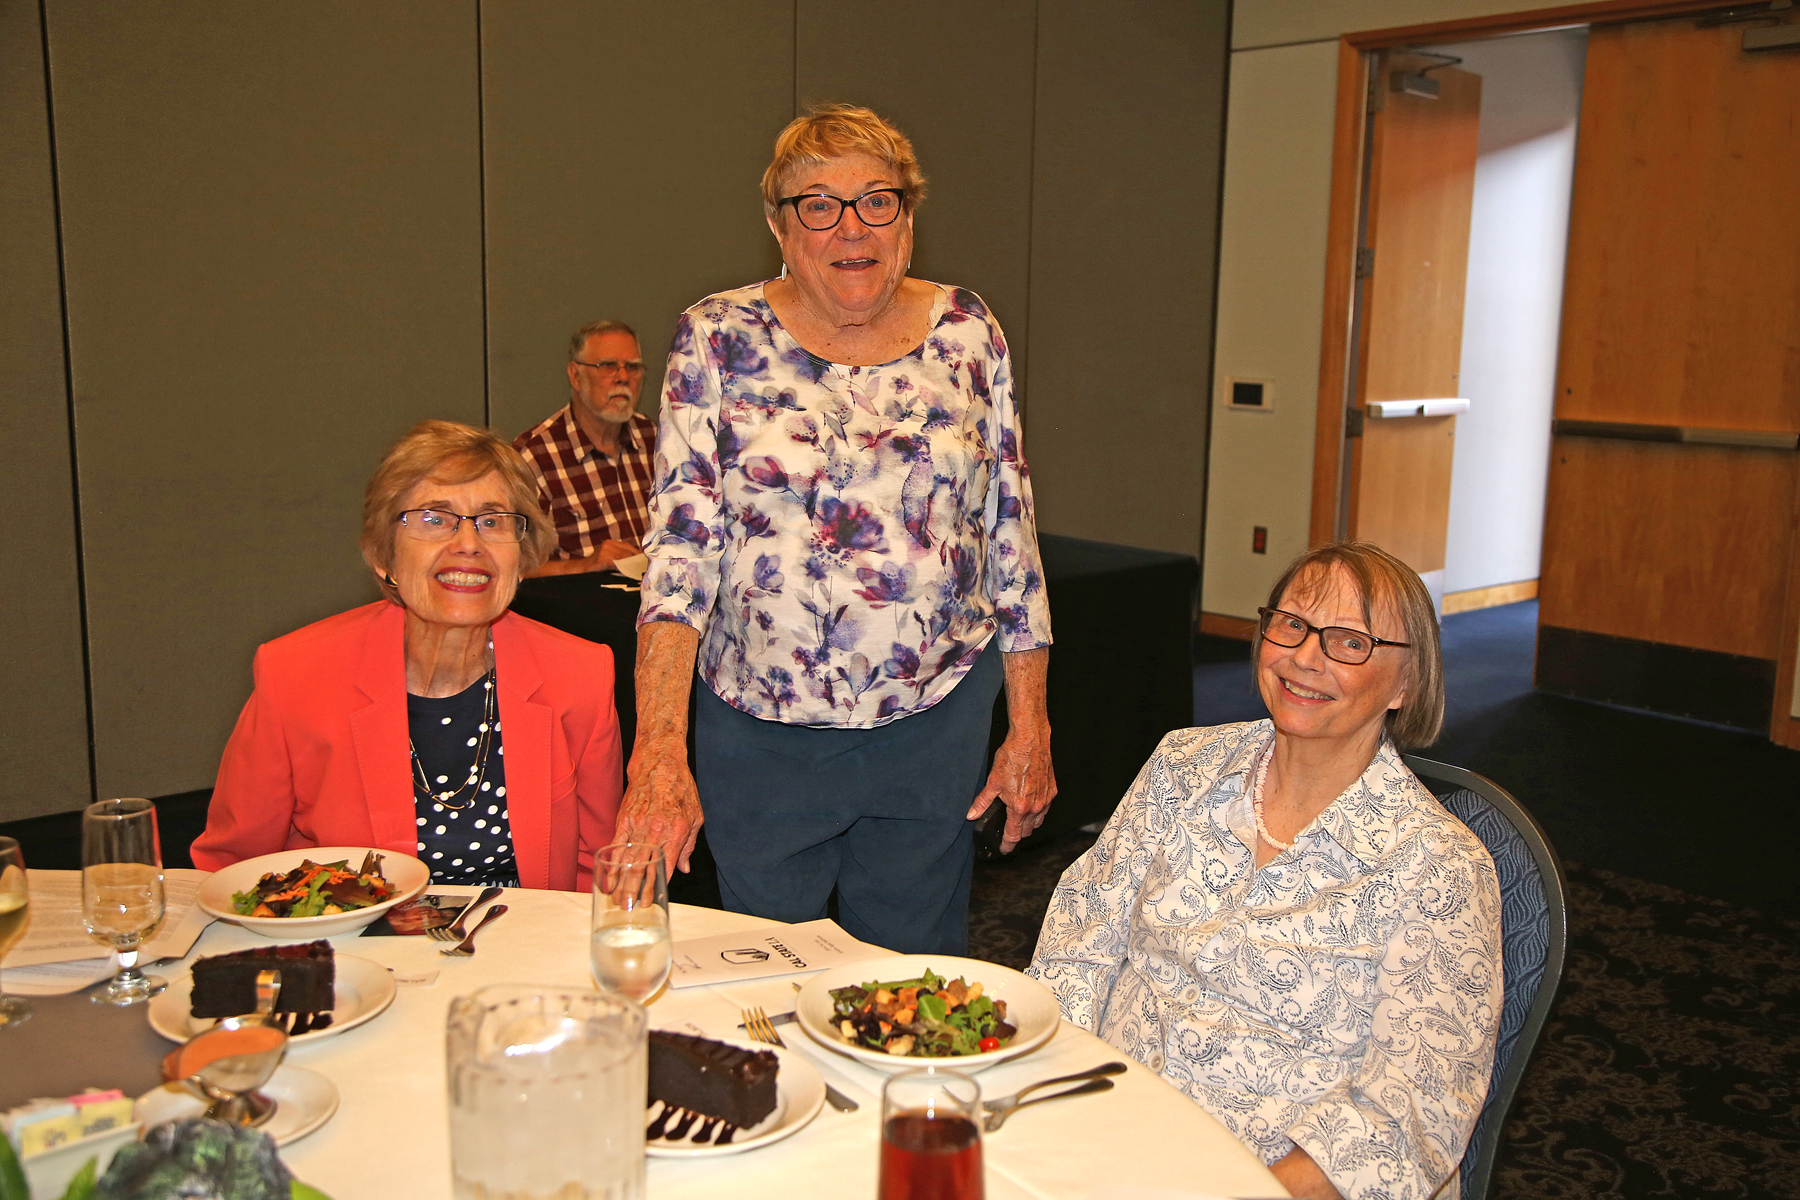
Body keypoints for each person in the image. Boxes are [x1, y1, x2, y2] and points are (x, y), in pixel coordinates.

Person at [617, 103, 1055, 954]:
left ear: (909, 217)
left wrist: (1029, 726)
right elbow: (680, 555)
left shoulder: (969, 331)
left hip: (934, 721)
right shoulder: (716, 337)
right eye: (818, 204)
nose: (850, 227)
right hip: (761, 733)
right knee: (762, 981)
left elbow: (1011, 532)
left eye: (876, 200)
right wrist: (659, 749)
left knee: (912, 980)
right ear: (780, 228)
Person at [1029, 542, 1501, 1200]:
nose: (1306, 657)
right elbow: (1078, 951)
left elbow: (1406, 1122)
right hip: (1107, 1141)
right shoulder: (1183, 765)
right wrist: (1046, 1107)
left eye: (1350, 642)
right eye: (1292, 625)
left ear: (1406, 683)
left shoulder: (1439, 869)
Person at [192, 421, 624, 892]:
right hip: (351, 951)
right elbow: (232, 873)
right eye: (434, 518)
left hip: (523, 950)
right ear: (384, 556)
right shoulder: (295, 675)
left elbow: (599, 873)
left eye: (493, 520)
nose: (468, 543)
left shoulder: (580, 674)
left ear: (521, 558)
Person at [514, 319, 657, 577]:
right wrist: (584, 565)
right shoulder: (535, 455)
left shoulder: (656, 440)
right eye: (608, 366)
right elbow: (510, 567)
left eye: (633, 367)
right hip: (577, 608)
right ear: (575, 376)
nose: (623, 377)